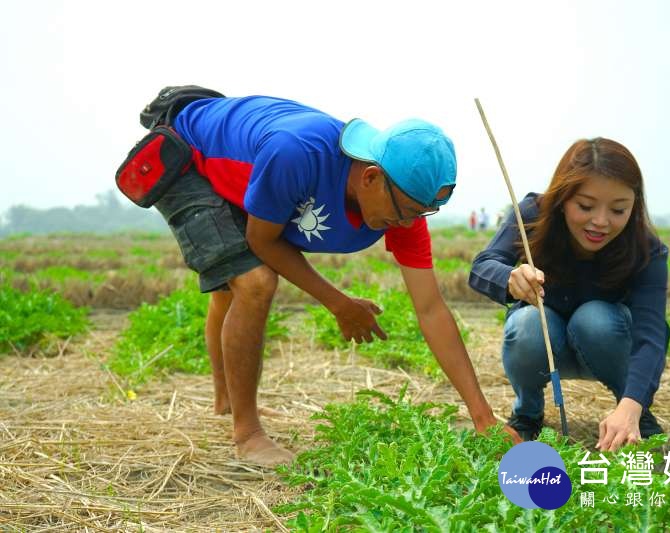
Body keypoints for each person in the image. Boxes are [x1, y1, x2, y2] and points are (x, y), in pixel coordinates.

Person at [142, 93, 510, 466]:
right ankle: (248, 435)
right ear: (371, 177)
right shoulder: (298, 154)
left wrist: (484, 418)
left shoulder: (403, 206)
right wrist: (339, 304)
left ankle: (226, 400)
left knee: (233, 282)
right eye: (406, 214)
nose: (406, 225)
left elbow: (431, 310)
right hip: (186, 153)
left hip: (250, 177)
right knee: (254, 281)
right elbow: (261, 240)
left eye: (421, 215)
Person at [469, 137, 669, 452]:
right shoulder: (533, 215)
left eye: (618, 210)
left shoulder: (646, 249)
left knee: (596, 319)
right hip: (543, 345)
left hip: (604, 345)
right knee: (529, 323)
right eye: (586, 206)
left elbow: (652, 333)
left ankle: (632, 414)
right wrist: (509, 278)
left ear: (635, 206)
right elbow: (482, 267)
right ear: (562, 198)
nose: (601, 222)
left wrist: (634, 405)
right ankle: (528, 412)